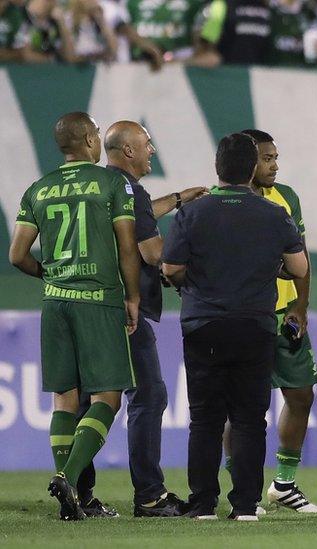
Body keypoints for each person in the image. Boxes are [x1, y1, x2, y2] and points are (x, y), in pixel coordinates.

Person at [162, 133, 307, 521]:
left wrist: (189, 283)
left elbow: (171, 268)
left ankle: (204, 503)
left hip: (203, 324)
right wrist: (266, 268)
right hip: (254, 325)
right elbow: (298, 268)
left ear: (217, 169)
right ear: (251, 169)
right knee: (248, 418)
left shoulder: (191, 213)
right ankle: (245, 505)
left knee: (205, 419)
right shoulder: (274, 213)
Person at [9, 112, 140, 521]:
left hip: (55, 303)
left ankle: (74, 502)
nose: (100, 138)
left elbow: (17, 255)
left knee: (64, 398)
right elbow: (127, 248)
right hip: (97, 299)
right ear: (87, 139)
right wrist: (132, 297)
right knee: (107, 398)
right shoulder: (111, 183)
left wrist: (48, 275)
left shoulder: (38, 189)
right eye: (97, 133)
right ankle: (67, 477)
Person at [98, 121, 205, 517]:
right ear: (128, 151)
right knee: (149, 396)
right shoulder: (129, 190)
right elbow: (153, 252)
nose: (152, 151)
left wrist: (177, 199)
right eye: (146, 145)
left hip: (91, 307)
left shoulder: (108, 186)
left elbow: (141, 212)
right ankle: (149, 495)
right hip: (127, 310)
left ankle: (79, 488)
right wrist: (192, 253)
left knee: (89, 398)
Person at [231, 128, 317, 514]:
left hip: (285, 316)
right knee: (244, 407)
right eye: (267, 158)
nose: (274, 165)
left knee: (301, 394)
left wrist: (301, 306)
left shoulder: (287, 198)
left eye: (275, 157)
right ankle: (242, 488)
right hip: (246, 315)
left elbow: (298, 255)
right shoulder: (228, 201)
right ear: (249, 162)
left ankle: (283, 484)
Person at [123, 0, 207, 63]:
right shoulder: (132, 3)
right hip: (141, 60)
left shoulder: (193, 3)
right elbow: (125, 30)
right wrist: (151, 49)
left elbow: (199, 34)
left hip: (181, 58)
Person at [195, 0, 273, 66]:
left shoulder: (272, 10)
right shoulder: (220, 5)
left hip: (264, 74)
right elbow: (205, 48)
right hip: (227, 72)